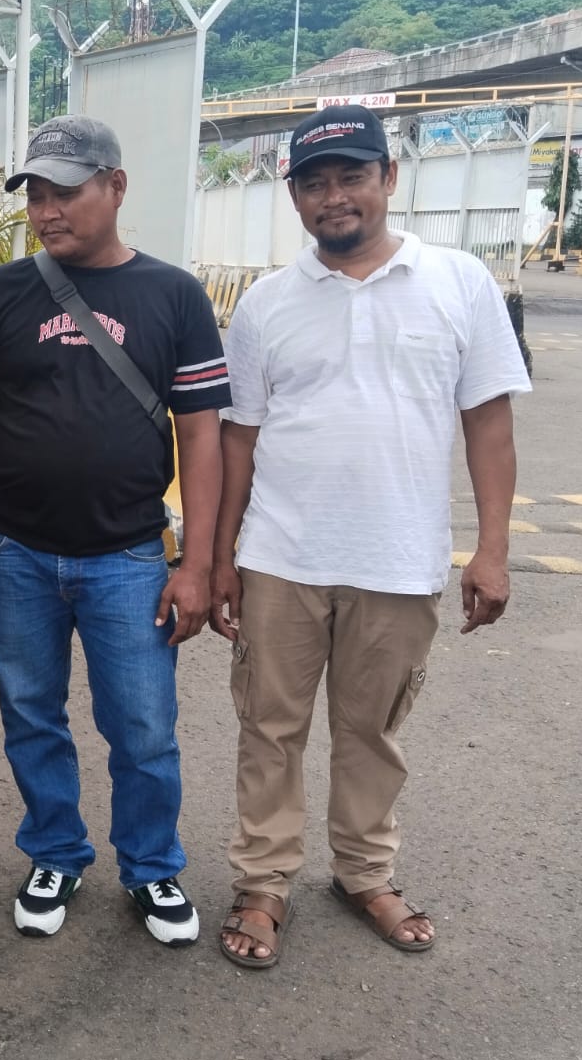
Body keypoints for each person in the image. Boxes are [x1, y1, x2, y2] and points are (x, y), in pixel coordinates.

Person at [210, 104, 530, 969]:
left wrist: (491, 550)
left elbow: (489, 424)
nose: (334, 197)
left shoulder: (459, 282)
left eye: (352, 176)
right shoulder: (265, 305)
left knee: (372, 731)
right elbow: (239, 440)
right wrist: (221, 559)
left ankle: (364, 873)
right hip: (281, 557)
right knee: (269, 729)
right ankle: (264, 883)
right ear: (295, 198)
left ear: (388, 178)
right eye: (314, 183)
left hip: (398, 557)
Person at [0, 116, 228, 945]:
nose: (47, 211)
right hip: (14, 552)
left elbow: (201, 434)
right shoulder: (0, 295)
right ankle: (55, 851)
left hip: (129, 556)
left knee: (143, 727)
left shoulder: (173, 296)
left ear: (116, 187)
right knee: (31, 715)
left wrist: (196, 564)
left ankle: (153, 865)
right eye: (35, 195)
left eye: (65, 191)